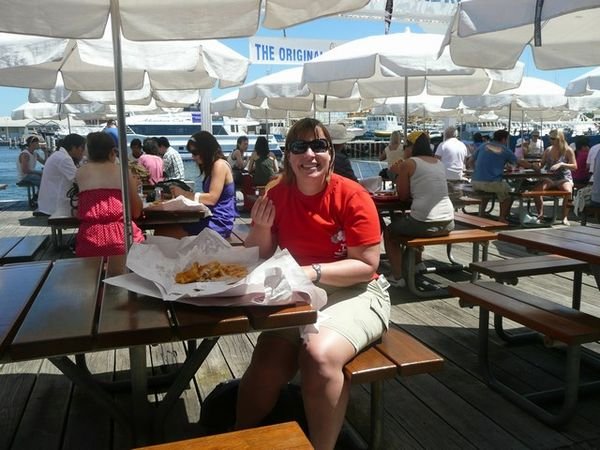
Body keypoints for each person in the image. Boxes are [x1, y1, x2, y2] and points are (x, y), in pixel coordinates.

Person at [235, 118, 390, 450]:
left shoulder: (353, 195)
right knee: (265, 366)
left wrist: (311, 271)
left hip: (358, 290)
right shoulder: (276, 194)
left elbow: (366, 265)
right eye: (299, 146)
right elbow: (254, 254)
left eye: (319, 146)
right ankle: (236, 438)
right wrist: (261, 229)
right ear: (288, 156)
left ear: (331, 154)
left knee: (318, 356)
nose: (310, 154)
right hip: (301, 291)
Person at [384, 131, 455, 287]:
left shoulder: (408, 164)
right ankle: (417, 264)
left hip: (424, 223)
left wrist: (396, 174)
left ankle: (397, 276)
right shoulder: (438, 163)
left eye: (405, 147)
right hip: (449, 221)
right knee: (406, 221)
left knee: (389, 232)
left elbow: (402, 196)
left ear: (412, 147)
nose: (404, 150)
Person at [75, 132, 144, 257]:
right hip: (123, 240)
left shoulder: (80, 173)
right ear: (113, 151)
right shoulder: (123, 172)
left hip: (89, 242)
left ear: (88, 152)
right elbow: (136, 212)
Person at [157, 131, 236, 239]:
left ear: (206, 150)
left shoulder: (219, 165)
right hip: (210, 217)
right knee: (163, 230)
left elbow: (212, 198)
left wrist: (184, 194)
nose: (193, 157)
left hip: (219, 222)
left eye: (195, 152)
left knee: (162, 232)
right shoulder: (213, 166)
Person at [470, 129, 536, 223]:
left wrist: (476, 171)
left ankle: (482, 213)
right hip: (490, 183)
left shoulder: (483, 145)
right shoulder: (504, 149)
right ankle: (502, 217)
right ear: (504, 139)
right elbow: (519, 162)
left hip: (475, 181)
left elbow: (470, 161)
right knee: (508, 194)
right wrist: (533, 166)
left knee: (487, 193)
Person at [532, 129, 576, 225]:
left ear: (560, 139)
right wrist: (536, 165)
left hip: (564, 177)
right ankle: (540, 214)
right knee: (536, 191)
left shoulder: (568, 150)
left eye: (553, 138)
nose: (550, 140)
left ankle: (564, 217)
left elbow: (574, 166)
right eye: (550, 138)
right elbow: (542, 164)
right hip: (550, 177)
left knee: (569, 192)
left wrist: (562, 164)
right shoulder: (548, 150)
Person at [37, 133, 85, 216]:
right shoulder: (64, 159)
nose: (83, 151)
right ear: (73, 147)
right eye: (82, 148)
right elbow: (78, 180)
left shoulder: (58, 154)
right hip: (56, 206)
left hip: (48, 202)